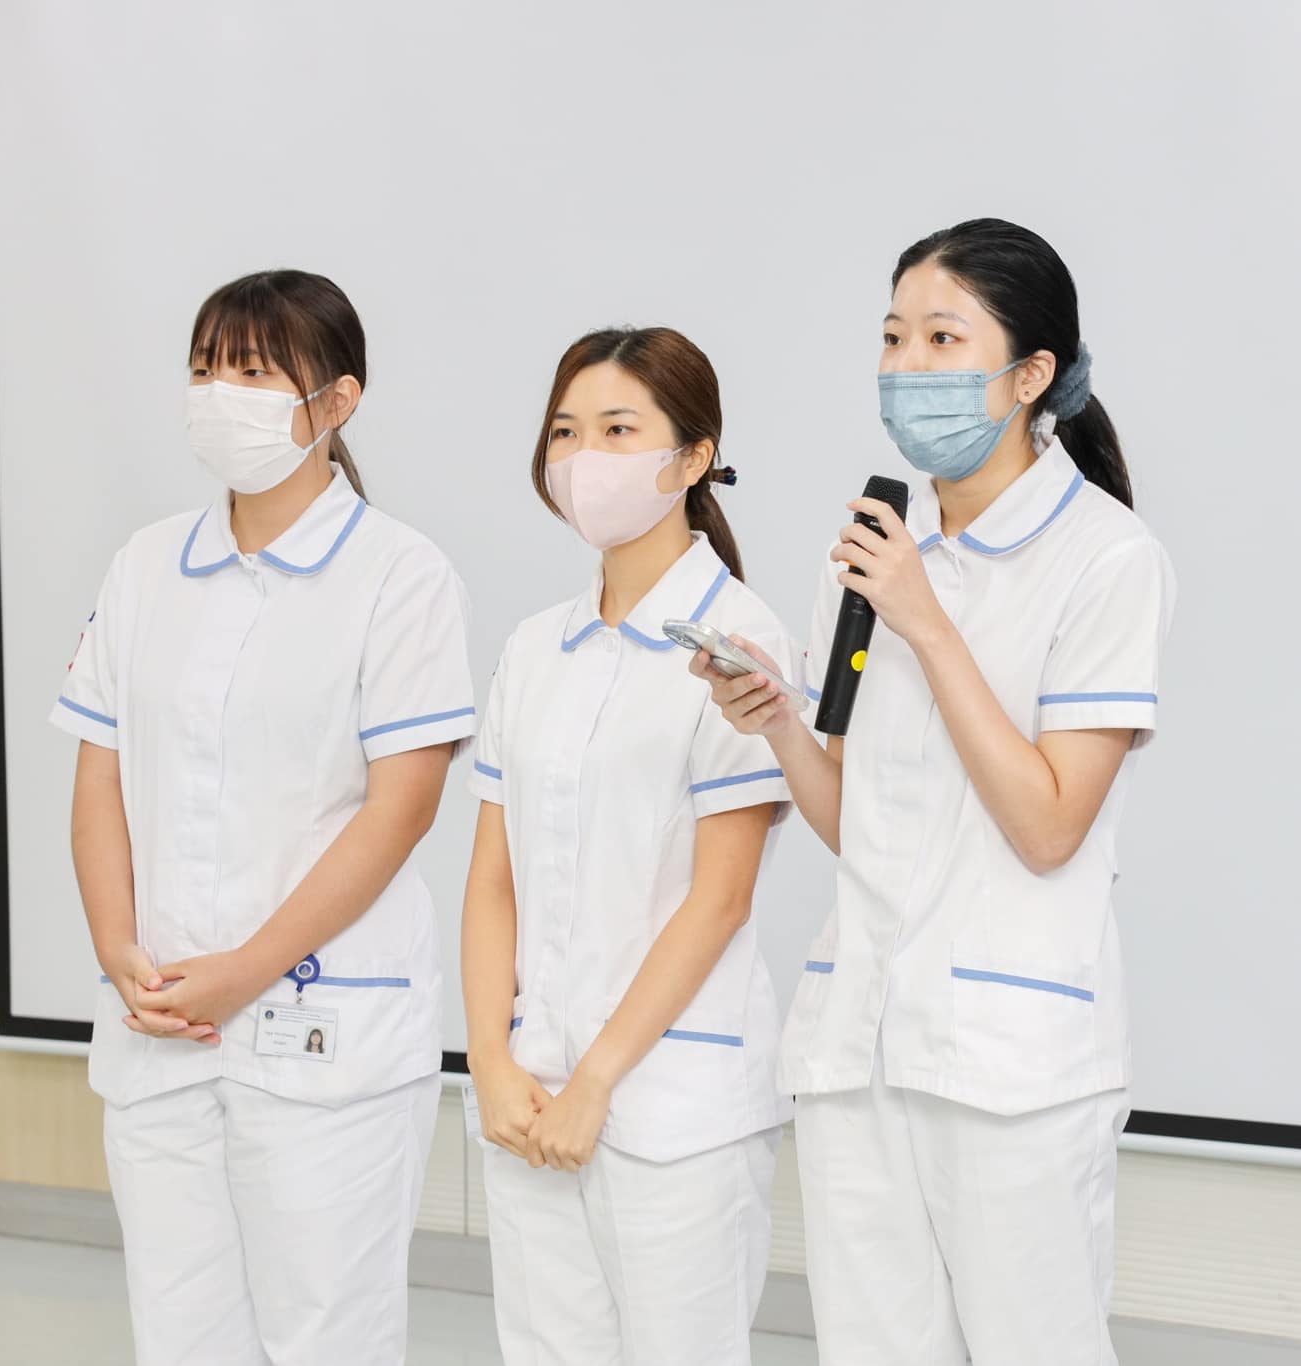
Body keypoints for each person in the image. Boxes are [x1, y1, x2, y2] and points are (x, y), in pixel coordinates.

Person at [696, 218, 1175, 1365]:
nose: (905, 366)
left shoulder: (1106, 559)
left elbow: (1050, 821)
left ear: (1029, 375)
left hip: (1006, 1063)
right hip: (859, 1046)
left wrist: (924, 619)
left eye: (941, 337)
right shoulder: (871, 552)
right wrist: (776, 726)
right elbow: (852, 822)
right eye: (892, 336)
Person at [54, 269, 476, 1364]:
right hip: (158, 1023)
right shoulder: (147, 564)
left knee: (325, 1335)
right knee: (179, 1330)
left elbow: (400, 810)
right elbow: (101, 776)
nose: (218, 393)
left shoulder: (399, 574)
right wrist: (117, 950)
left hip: (316, 1024)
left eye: (251, 370)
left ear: (336, 402)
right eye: (205, 368)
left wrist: (246, 966)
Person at [462, 327, 794, 1364]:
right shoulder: (534, 645)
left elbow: (719, 898)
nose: (583, 457)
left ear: (692, 459)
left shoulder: (741, 641)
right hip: (531, 1095)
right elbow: (491, 881)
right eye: (566, 431)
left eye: (617, 429)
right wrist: (490, 1063)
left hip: (669, 1107)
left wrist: (598, 1079)